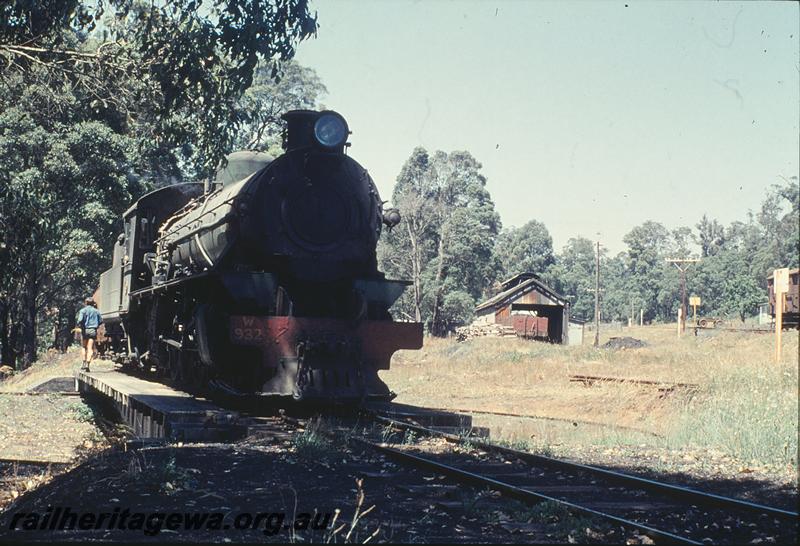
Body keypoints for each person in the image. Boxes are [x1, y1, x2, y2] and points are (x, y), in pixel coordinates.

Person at [76, 297, 103, 372]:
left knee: (84, 347)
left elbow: (80, 320)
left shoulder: (83, 311)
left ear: (86, 303)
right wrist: (96, 325)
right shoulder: (96, 311)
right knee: (90, 348)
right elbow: (101, 320)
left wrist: (80, 325)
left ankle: (83, 363)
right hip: (93, 330)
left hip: (85, 330)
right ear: (93, 303)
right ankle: (88, 364)